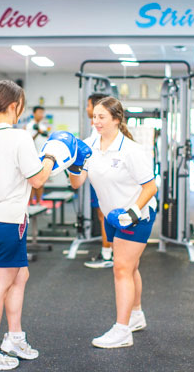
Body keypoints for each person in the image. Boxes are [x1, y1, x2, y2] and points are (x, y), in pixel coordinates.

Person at [0, 80, 71, 371]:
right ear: (15, 106)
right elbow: (38, 179)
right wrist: (52, 156)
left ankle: (13, 338)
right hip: (6, 224)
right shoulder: (19, 137)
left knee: (20, 276)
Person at [69, 96, 158, 349]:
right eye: (94, 116)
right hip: (110, 215)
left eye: (101, 117)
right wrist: (73, 163)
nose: (95, 121)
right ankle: (136, 315)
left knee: (120, 269)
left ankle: (122, 330)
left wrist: (132, 211)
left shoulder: (131, 150)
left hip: (136, 215)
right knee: (130, 268)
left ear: (116, 119)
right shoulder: (88, 145)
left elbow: (150, 187)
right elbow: (77, 183)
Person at [83, 93, 112, 269]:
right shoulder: (97, 129)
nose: (87, 109)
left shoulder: (99, 129)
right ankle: (110, 252)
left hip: (103, 179)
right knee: (104, 216)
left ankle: (107, 254)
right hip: (100, 178)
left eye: (88, 105)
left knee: (104, 216)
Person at [25, 106, 49, 204]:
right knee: (31, 182)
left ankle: (39, 203)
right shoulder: (30, 126)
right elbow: (29, 141)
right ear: (34, 113)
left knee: (41, 182)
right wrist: (38, 132)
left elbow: (46, 139)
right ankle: (30, 203)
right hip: (32, 157)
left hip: (41, 157)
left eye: (42, 113)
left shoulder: (43, 127)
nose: (41, 115)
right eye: (39, 112)